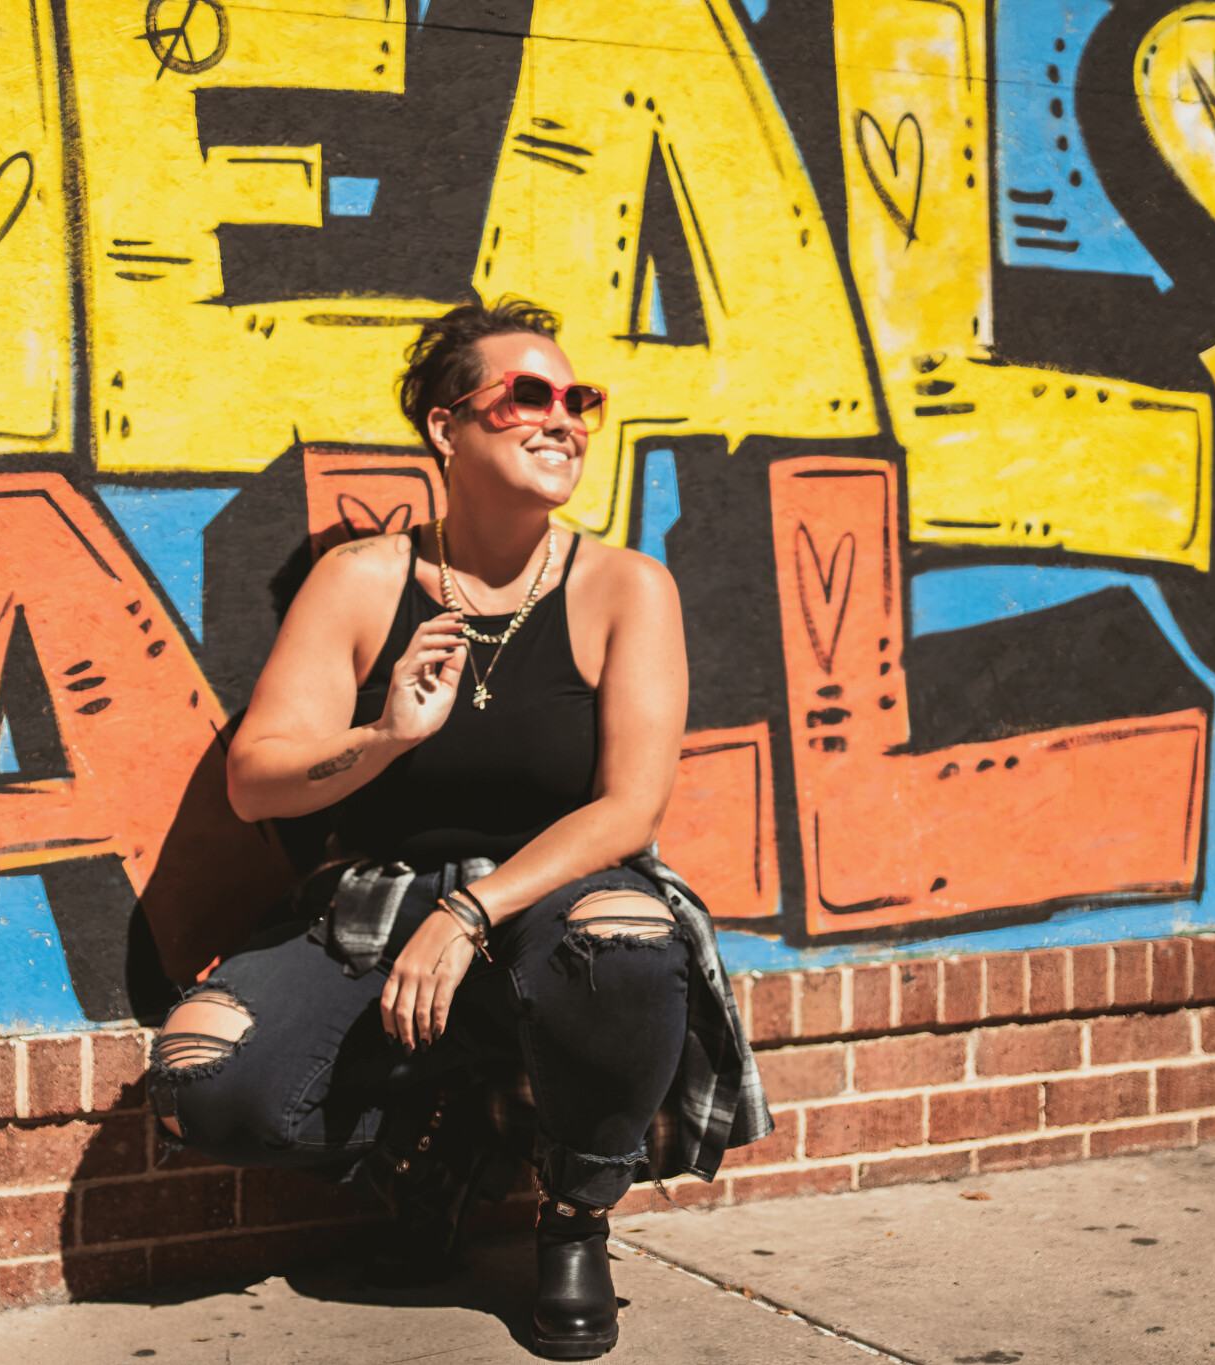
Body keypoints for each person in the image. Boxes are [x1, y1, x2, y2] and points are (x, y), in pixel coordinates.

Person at [146, 298, 770, 1360]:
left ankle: (572, 1215)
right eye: (526, 395)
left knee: (627, 939)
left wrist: (471, 912)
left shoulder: (625, 587)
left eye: (578, 400)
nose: (563, 419)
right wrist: (383, 736)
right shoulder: (361, 581)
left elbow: (630, 807)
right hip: (379, 900)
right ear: (445, 426)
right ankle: (429, 1140)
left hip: (557, 894)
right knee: (203, 1080)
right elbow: (254, 783)